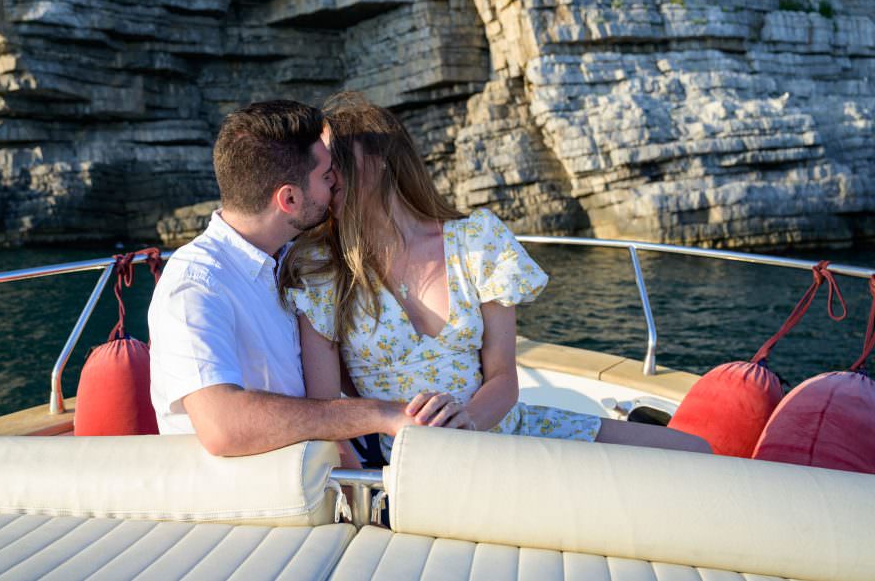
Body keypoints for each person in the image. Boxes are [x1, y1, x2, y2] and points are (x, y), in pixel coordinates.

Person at [281, 94, 711, 461]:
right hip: (413, 462)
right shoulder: (322, 270)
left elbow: (503, 377)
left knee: (696, 453)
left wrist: (468, 422)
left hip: (499, 431)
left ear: (378, 159)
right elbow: (325, 411)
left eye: (332, 157)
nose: (323, 172)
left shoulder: (477, 241)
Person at [148, 100, 416, 457]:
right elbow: (222, 427)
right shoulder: (195, 286)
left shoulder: (293, 261)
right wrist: (382, 414)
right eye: (325, 177)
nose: (334, 183)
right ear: (289, 198)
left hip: (319, 471)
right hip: (249, 503)